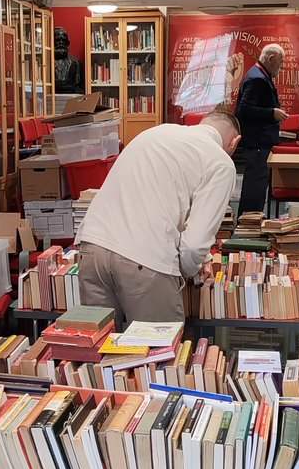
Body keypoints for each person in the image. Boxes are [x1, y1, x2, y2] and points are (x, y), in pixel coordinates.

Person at [76, 107, 241, 326]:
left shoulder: (157, 133)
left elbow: (163, 201)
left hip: (92, 249)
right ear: (234, 142)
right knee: (155, 352)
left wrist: (204, 259)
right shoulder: (221, 163)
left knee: (98, 350)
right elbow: (193, 245)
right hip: (144, 261)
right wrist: (186, 272)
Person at [234, 42, 289, 215]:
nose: (281, 68)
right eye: (280, 63)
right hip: (257, 142)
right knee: (254, 189)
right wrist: (272, 113)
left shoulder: (258, 75)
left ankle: (251, 224)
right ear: (271, 59)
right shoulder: (257, 78)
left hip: (259, 142)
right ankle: (249, 227)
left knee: (257, 188)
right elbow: (244, 110)